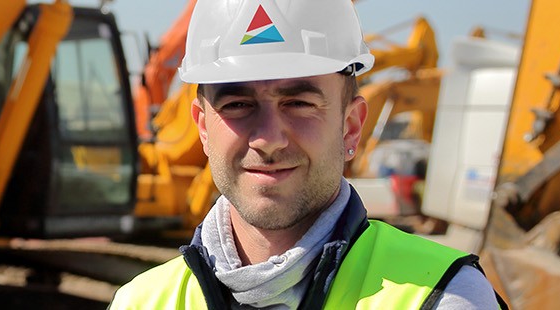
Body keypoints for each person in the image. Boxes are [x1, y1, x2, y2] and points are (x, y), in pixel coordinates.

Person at [110, 1, 507, 308]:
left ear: (351, 125)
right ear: (202, 127)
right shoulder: (139, 303)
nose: (269, 139)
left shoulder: (441, 296)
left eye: (299, 103)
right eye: (237, 105)